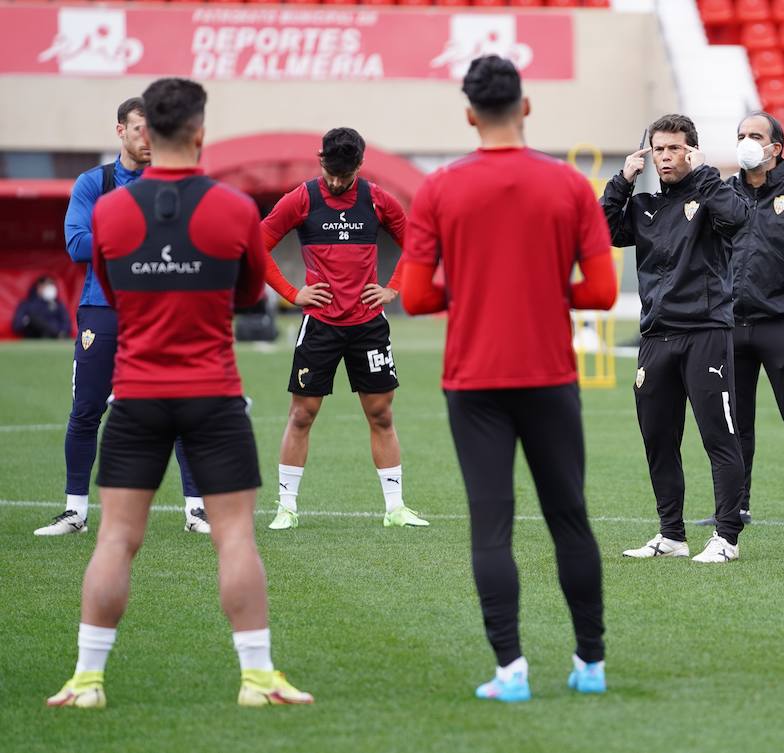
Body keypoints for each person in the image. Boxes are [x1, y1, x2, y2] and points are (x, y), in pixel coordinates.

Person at [46, 77, 312, 708]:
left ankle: (86, 680)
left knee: (116, 538)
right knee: (235, 538)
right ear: (198, 132)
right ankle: (256, 678)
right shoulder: (233, 208)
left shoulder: (109, 212)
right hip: (212, 393)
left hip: (137, 394)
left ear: (149, 131)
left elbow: (109, 286)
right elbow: (247, 296)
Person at [400, 55, 614, 701]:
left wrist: (472, 290)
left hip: (475, 382)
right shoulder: (570, 185)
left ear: (470, 115)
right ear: (525, 107)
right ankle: (591, 664)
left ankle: (510, 671)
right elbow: (602, 292)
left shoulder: (438, 188)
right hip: (549, 376)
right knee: (569, 518)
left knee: (491, 524)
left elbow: (415, 297)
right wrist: (543, 288)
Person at [37, 96, 209, 538]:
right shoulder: (94, 183)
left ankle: (196, 510)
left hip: (163, 312)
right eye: (138, 130)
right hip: (104, 311)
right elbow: (77, 245)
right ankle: (75, 512)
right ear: (120, 131)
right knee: (86, 410)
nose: (148, 138)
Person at [258, 127, 426, 530]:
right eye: (330, 174)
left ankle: (395, 509)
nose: (335, 183)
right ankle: (286, 508)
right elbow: (255, 244)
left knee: (381, 413)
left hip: (368, 326)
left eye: (344, 176)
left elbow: (418, 243)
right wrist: (292, 293)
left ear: (359, 166)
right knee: (302, 414)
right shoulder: (302, 199)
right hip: (320, 325)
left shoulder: (377, 200)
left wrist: (393, 288)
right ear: (320, 161)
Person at [603, 113, 751, 563]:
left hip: (705, 333)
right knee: (658, 439)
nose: (665, 157)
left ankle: (727, 539)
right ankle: (671, 536)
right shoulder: (644, 206)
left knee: (719, 438)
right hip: (656, 337)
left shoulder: (712, 195)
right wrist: (623, 181)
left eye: (674, 149)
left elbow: (737, 218)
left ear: (691, 151)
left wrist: (706, 174)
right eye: (659, 150)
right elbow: (601, 230)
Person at [694, 111, 784, 528]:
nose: (746, 142)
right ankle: (736, 507)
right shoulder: (723, 192)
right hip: (730, 326)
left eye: (755, 135)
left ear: (775, 147)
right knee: (735, 423)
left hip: (782, 325)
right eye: (741, 135)